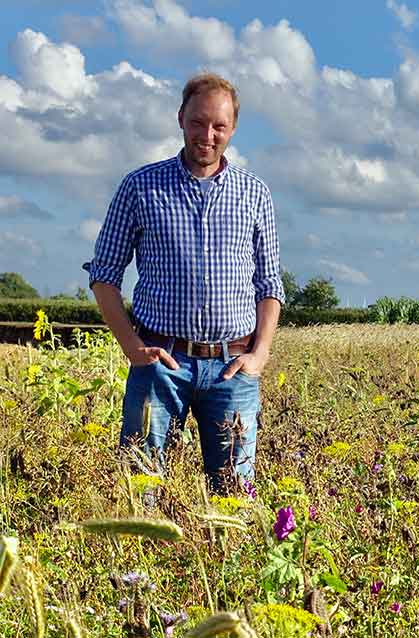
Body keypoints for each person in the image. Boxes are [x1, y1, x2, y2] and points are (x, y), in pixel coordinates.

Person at [84, 73, 283, 494]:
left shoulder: (255, 194)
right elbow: (104, 275)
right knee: (142, 493)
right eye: (198, 122)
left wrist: (260, 354)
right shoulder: (141, 187)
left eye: (219, 126)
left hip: (233, 368)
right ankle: (143, 562)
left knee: (235, 496)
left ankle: (222, 561)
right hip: (160, 364)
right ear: (180, 118)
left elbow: (269, 284)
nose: (207, 135)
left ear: (232, 129)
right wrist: (132, 349)